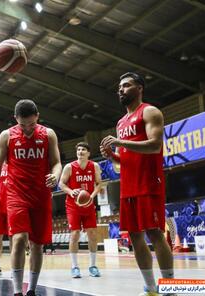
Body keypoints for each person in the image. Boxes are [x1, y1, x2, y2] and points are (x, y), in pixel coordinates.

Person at [100, 72, 174, 296]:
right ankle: (151, 288)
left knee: (154, 234)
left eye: (126, 85)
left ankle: (170, 287)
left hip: (148, 183)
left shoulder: (149, 112)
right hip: (128, 185)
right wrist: (113, 156)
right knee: (134, 236)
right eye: (119, 87)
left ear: (139, 88)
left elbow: (154, 145)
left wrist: (121, 141)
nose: (121, 90)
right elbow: (128, 159)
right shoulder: (121, 122)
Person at [0, 99, 62, 296]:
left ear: (37, 116)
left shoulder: (48, 134)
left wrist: (56, 175)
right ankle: (18, 291)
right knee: (19, 239)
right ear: (15, 119)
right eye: (23, 124)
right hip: (16, 194)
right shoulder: (7, 135)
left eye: (31, 124)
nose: (27, 129)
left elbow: (57, 163)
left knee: (37, 244)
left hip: (41, 195)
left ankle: (32, 290)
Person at [59, 142, 102, 278]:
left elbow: (99, 183)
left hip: (88, 205)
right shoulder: (69, 167)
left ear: (88, 153)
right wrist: (71, 192)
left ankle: (93, 266)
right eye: (78, 150)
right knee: (75, 234)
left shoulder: (94, 166)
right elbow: (61, 183)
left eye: (83, 149)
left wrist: (92, 196)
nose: (80, 151)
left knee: (92, 235)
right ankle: (74, 267)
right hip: (73, 206)